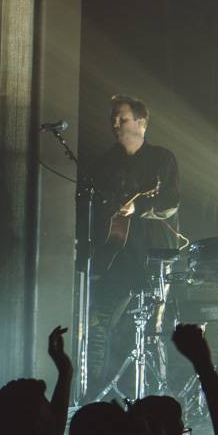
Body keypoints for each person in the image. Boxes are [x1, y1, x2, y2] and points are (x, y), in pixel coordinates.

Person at [84, 94, 181, 394]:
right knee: (101, 323)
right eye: (113, 117)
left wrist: (137, 208)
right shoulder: (104, 162)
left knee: (149, 329)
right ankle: (100, 389)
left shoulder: (162, 159)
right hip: (112, 256)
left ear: (141, 123)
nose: (115, 123)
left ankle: (153, 392)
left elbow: (169, 202)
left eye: (122, 117)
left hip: (152, 255)